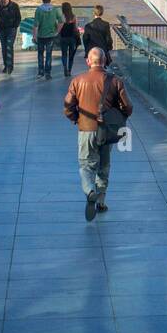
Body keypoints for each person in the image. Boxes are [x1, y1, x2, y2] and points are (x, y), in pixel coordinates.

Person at [64, 47, 133, 220]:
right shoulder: (115, 81)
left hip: (86, 129)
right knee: (103, 166)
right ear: (105, 61)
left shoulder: (78, 80)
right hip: (107, 131)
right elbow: (128, 107)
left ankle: (90, 191)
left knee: (86, 165)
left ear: (88, 61)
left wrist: (77, 119)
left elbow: (68, 107)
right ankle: (101, 201)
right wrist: (117, 117)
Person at [0, 0, 22, 74]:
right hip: (1, 30)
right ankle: (6, 65)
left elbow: (18, 17)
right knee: (4, 48)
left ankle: (10, 66)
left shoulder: (14, 6)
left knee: (9, 46)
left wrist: (15, 26)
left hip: (11, 30)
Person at [33, 0, 59, 79]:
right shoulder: (55, 9)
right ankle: (48, 73)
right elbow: (61, 21)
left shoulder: (38, 10)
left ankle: (40, 72)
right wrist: (57, 32)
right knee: (48, 54)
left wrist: (34, 36)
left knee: (40, 54)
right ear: (50, 0)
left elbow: (36, 25)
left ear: (42, 0)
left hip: (41, 36)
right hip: (51, 35)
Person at [57, 2, 81, 77]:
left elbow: (59, 29)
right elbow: (76, 28)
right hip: (72, 38)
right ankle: (69, 70)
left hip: (63, 38)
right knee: (71, 55)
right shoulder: (74, 17)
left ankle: (65, 69)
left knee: (64, 54)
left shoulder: (62, 17)